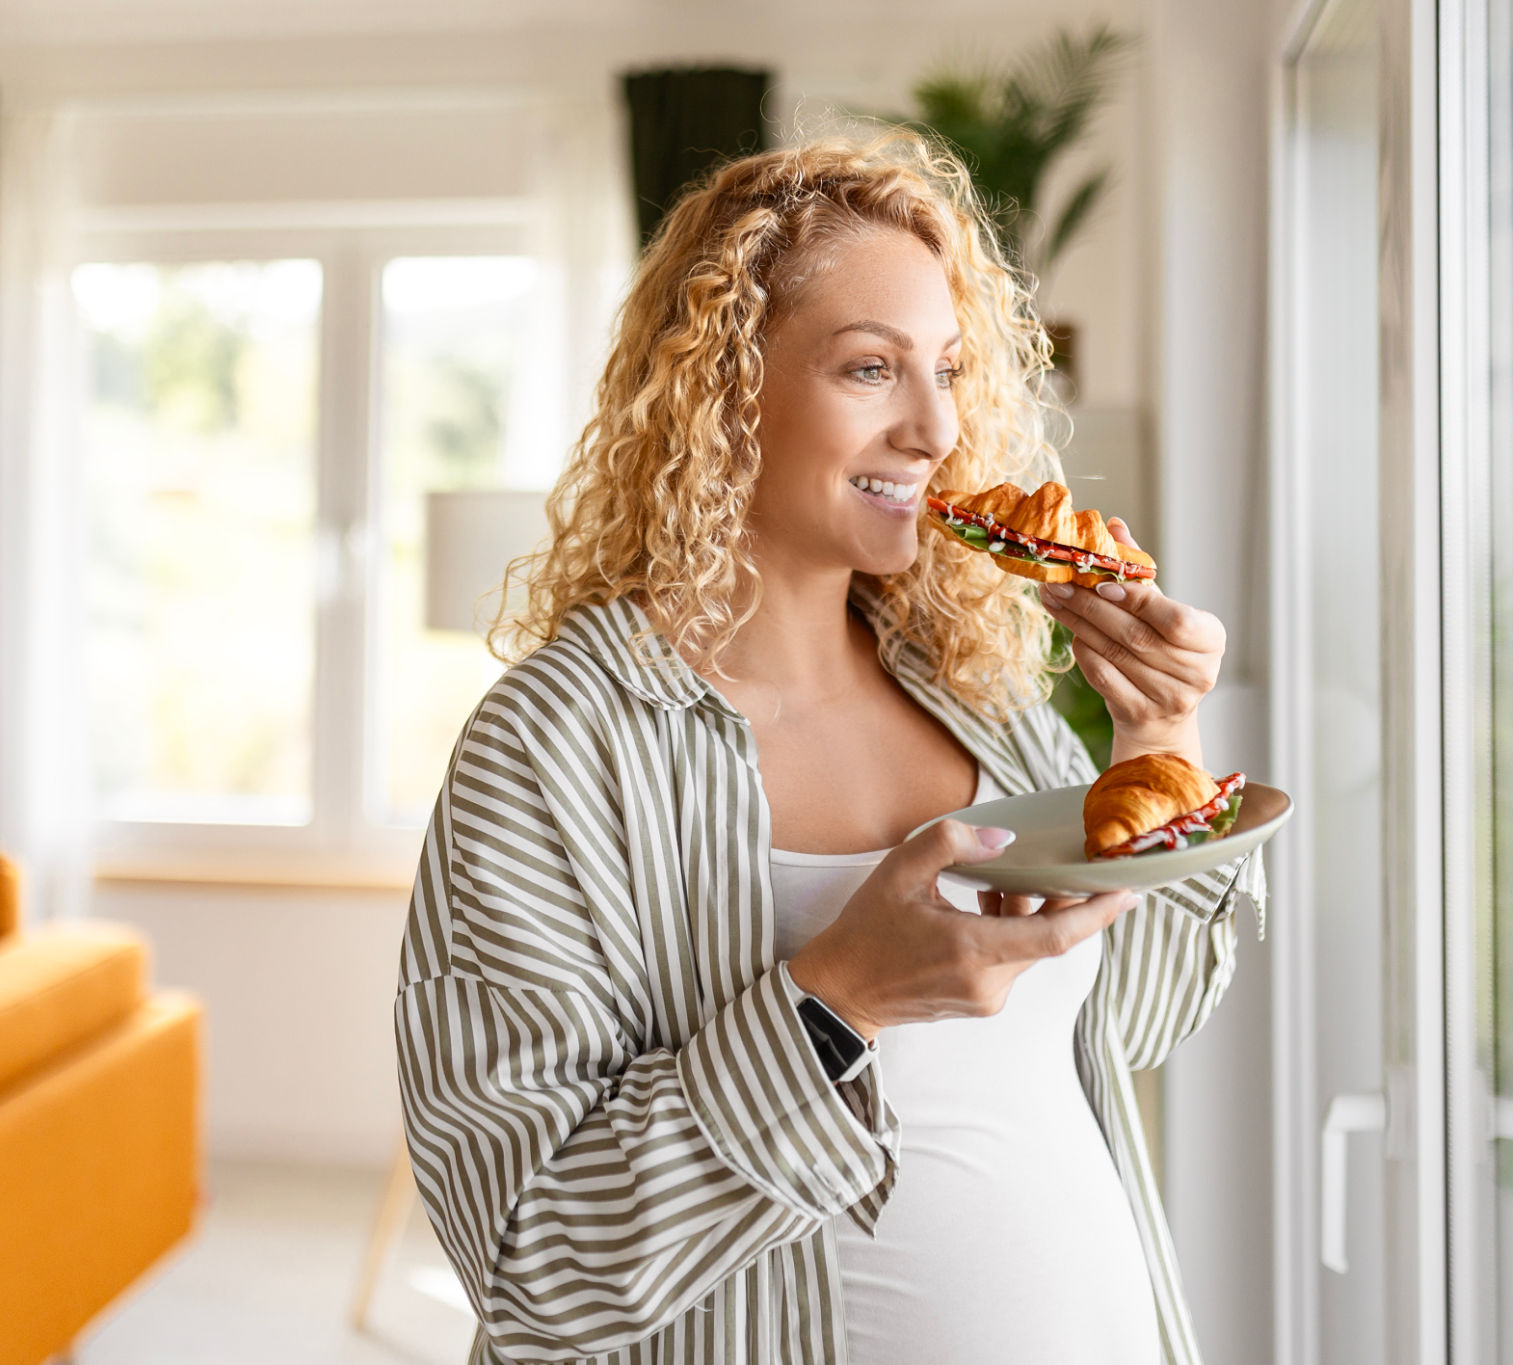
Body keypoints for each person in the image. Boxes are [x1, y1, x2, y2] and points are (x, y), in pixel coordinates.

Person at [393, 126, 1265, 1365]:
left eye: (946, 369)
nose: (933, 429)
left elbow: (1128, 1025)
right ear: (721, 392)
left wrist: (1156, 740)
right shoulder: (554, 747)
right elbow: (533, 1269)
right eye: (869, 369)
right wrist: (836, 996)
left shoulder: (978, 695)